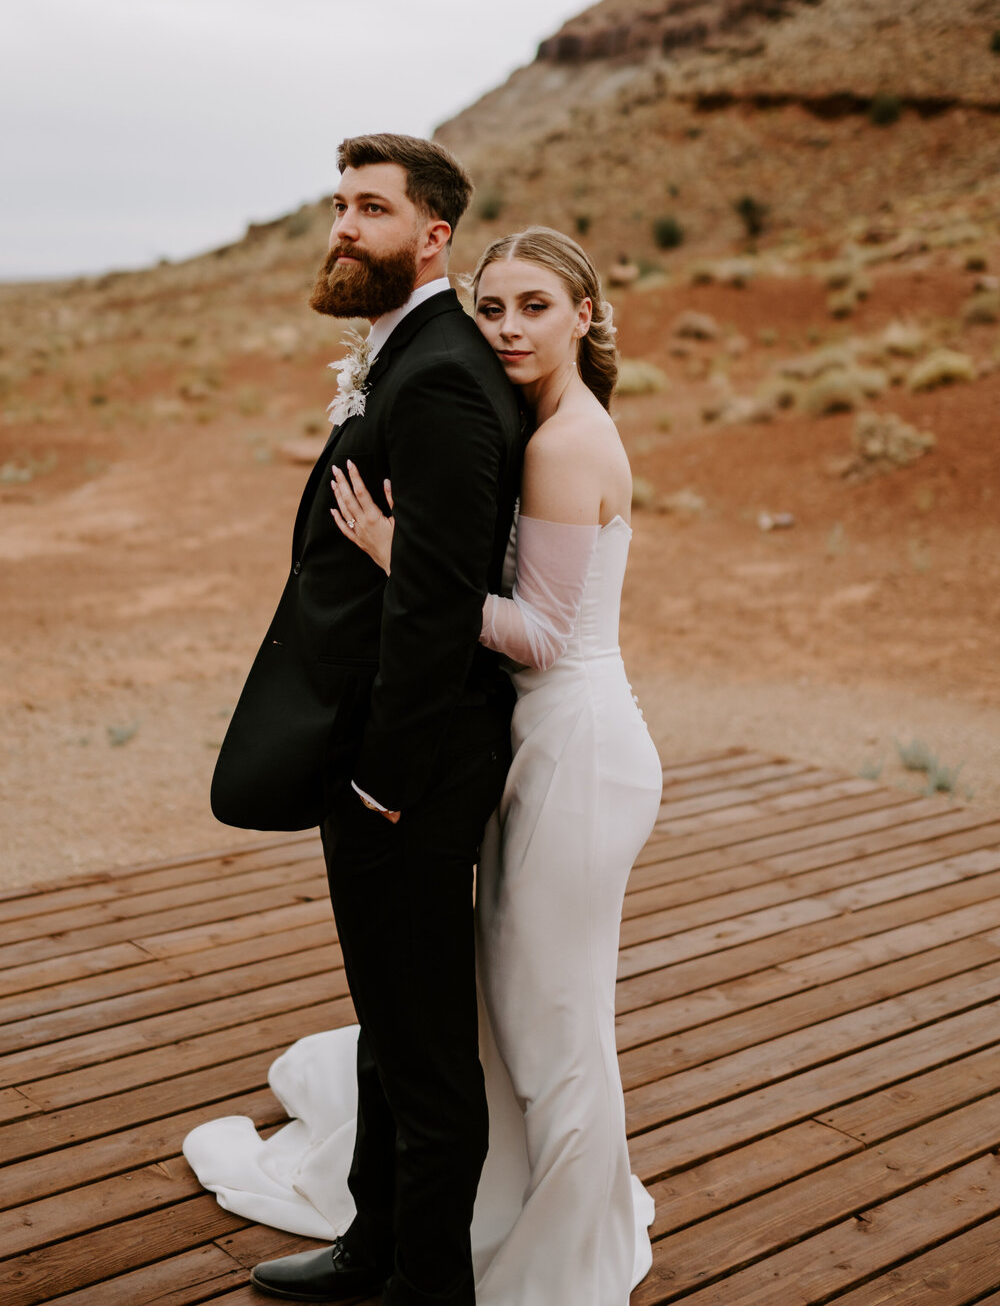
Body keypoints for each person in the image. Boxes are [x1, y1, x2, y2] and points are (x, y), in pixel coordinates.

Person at [190, 220, 662, 1304]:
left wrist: (405, 558)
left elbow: (543, 636)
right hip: (545, 742)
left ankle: (569, 1260)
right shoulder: (537, 420)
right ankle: (469, 1232)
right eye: (491, 306)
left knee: (554, 1022)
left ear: (584, 315)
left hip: (577, 749)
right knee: (512, 1012)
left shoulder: (565, 440)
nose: (506, 327)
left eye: (535, 306)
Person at [206, 134, 524, 1306]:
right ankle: (372, 1245)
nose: (344, 226)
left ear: (431, 235)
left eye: (371, 208)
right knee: (389, 1025)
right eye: (339, 204)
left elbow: (439, 608)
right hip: (389, 761)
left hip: (413, 769)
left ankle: (426, 1286)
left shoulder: (439, 372)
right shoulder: (409, 354)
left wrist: (385, 776)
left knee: (430, 1055)